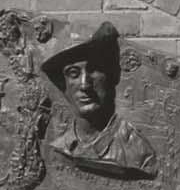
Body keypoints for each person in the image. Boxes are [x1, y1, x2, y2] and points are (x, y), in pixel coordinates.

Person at [39, 21, 158, 179]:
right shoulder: (57, 147)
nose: (84, 84)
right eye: (74, 73)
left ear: (113, 76)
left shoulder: (138, 153)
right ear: (63, 85)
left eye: (94, 70)